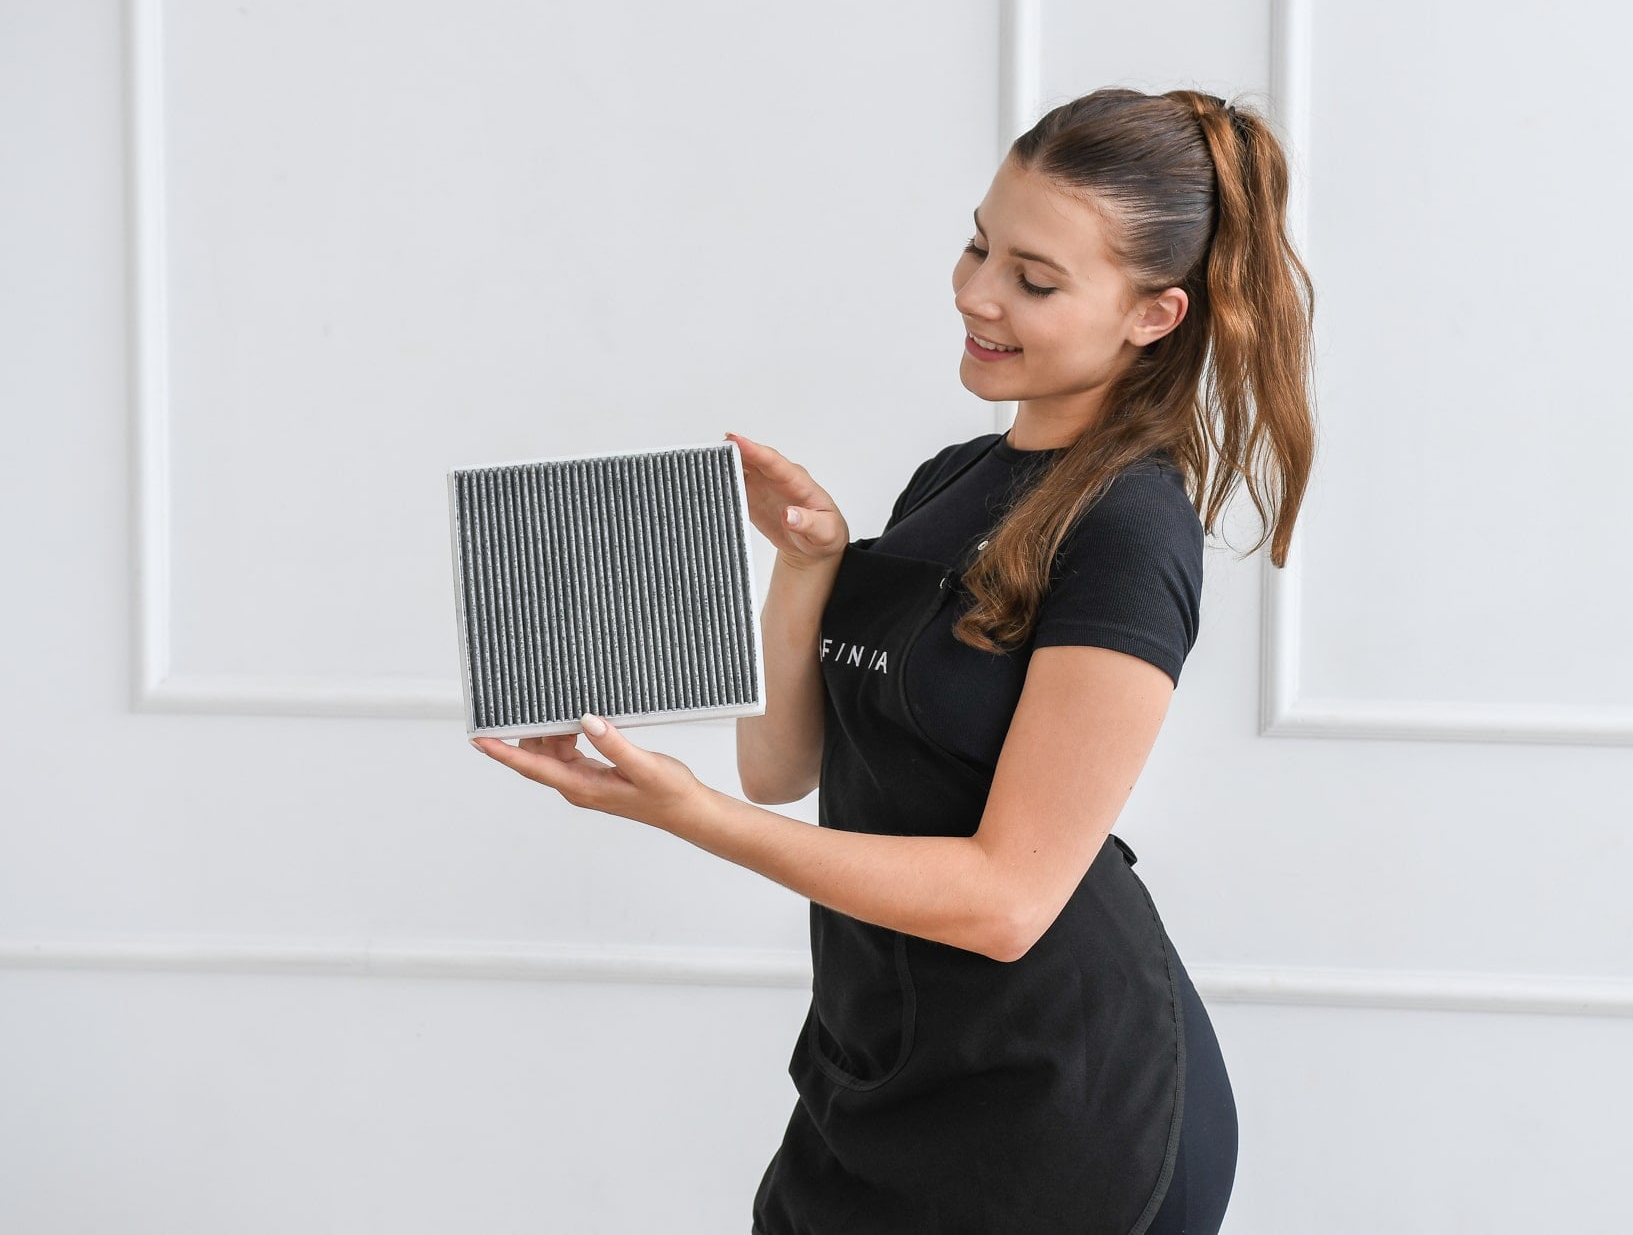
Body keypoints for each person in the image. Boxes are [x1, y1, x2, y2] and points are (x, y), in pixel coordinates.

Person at [474, 85, 1316, 1234]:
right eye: (978, 245)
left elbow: (1009, 902)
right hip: (881, 1067)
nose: (976, 292)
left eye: (1033, 279)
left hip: (1055, 1110)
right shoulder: (950, 478)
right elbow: (780, 767)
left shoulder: (1128, 529)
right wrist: (807, 563)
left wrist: (684, 817)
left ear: (1153, 315)